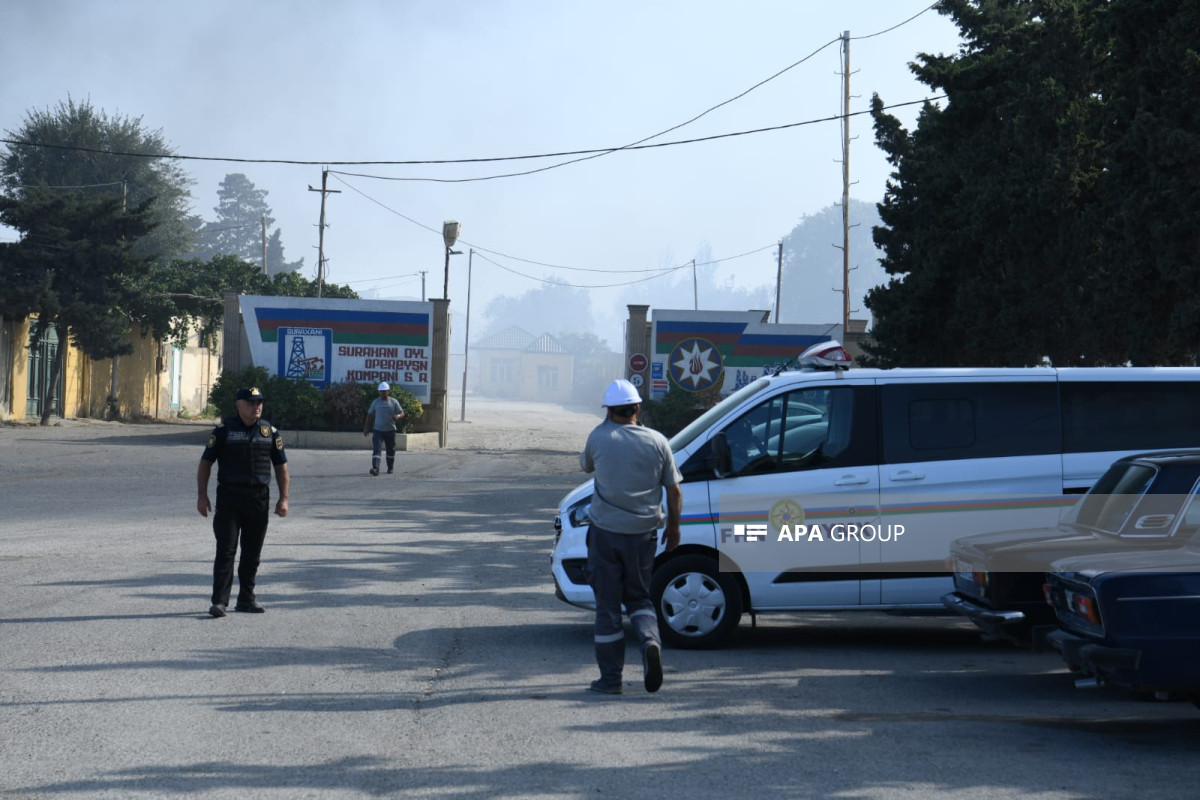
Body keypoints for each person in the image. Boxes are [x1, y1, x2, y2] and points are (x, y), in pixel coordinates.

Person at [580, 378, 682, 695]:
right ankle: (650, 640)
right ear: (638, 408)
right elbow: (674, 490)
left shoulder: (599, 437)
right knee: (639, 597)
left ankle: (611, 680)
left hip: (605, 534)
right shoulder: (658, 441)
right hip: (644, 535)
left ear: (609, 411)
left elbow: (586, 467)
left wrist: (604, 424)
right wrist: (674, 528)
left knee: (608, 606)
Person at [196, 386, 289, 618]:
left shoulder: (269, 432)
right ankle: (219, 601)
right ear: (239, 406)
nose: (256, 406)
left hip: (258, 498)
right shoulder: (223, 431)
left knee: (252, 552)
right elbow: (206, 463)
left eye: (259, 403)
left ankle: (246, 599)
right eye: (251, 403)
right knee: (226, 550)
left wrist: (284, 498)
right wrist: (202, 495)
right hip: (229, 497)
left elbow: (281, 466)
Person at [363, 381, 405, 476]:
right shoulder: (375, 402)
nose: (382, 393)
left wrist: (397, 416)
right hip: (378, 430)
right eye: (381, 391)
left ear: (388, 391)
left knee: (390, 449)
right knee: (377, 449)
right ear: (379, 392)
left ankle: (390, 467)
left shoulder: (394, 402)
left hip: (390, 430)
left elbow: (402, 413)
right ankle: (375, 468)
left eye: (384, 391)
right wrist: (366, 428)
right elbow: (369, 415)